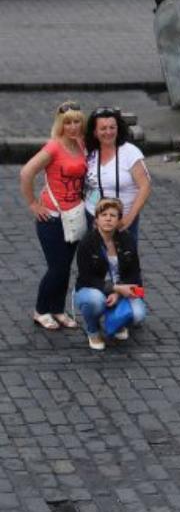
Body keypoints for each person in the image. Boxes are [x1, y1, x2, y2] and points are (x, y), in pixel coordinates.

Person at [18, 101, 88, 331]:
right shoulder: (54, 147)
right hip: (52, 217)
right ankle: (41, 310)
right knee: (56, 267)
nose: (73, 126)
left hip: (74, 214)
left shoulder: (80, 144)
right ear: (60, 124)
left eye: (76, 121)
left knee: (66, 266)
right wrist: (32, 204)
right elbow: (27, 171)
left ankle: (57, 309)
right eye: (67, 122)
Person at [74, 199, 147, 351]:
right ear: (97, 219)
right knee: (95, 301)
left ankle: (116, 323)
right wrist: (114, 288)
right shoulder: (87, 243)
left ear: (119, 220)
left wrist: (118, 294)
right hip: (92, 288)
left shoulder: (127, 240)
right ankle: (93, 329)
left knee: (139, 314)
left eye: (113, 215)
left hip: (120, 290)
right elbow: (87, 278)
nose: (108, 218)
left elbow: (135, 274)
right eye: (104, 214)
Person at [83, 108, 152, 247]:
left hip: (122, 221)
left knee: (123, 263)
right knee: (96, 264)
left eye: (112, 127)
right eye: (103, 128)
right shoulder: (89, 152)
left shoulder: (130, 152)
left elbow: (145, 186)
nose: (108, 132)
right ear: (95, 132)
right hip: (93, 219)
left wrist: (129, 219)